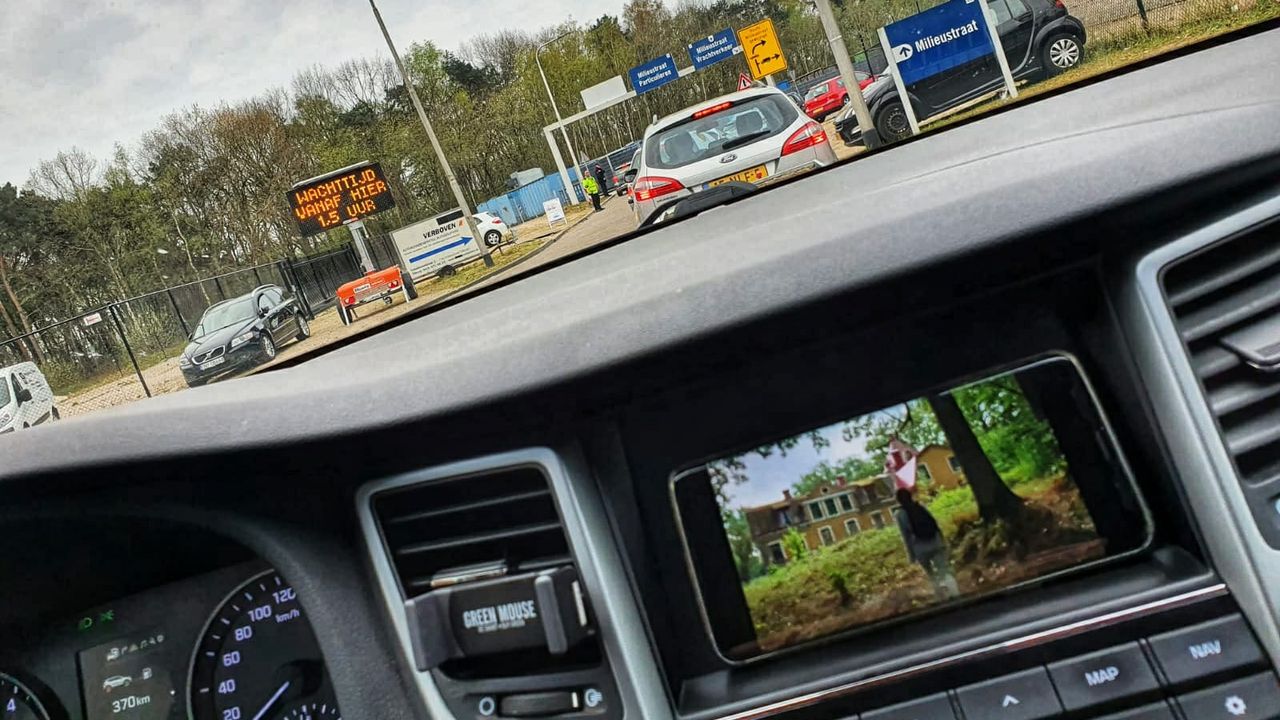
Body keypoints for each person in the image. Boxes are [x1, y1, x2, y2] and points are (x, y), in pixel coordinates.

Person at [893, 487, 960, 600]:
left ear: (899, 500)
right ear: (910, 496)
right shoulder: (920, 506)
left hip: (920, 549)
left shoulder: (900, 514)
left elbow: (906, 536)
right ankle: (955, 593)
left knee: (930, 574)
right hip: (935, 543)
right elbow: (934, 523)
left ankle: (941, 598)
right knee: (943, 569)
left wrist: (911, 556)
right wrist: (942, 540)